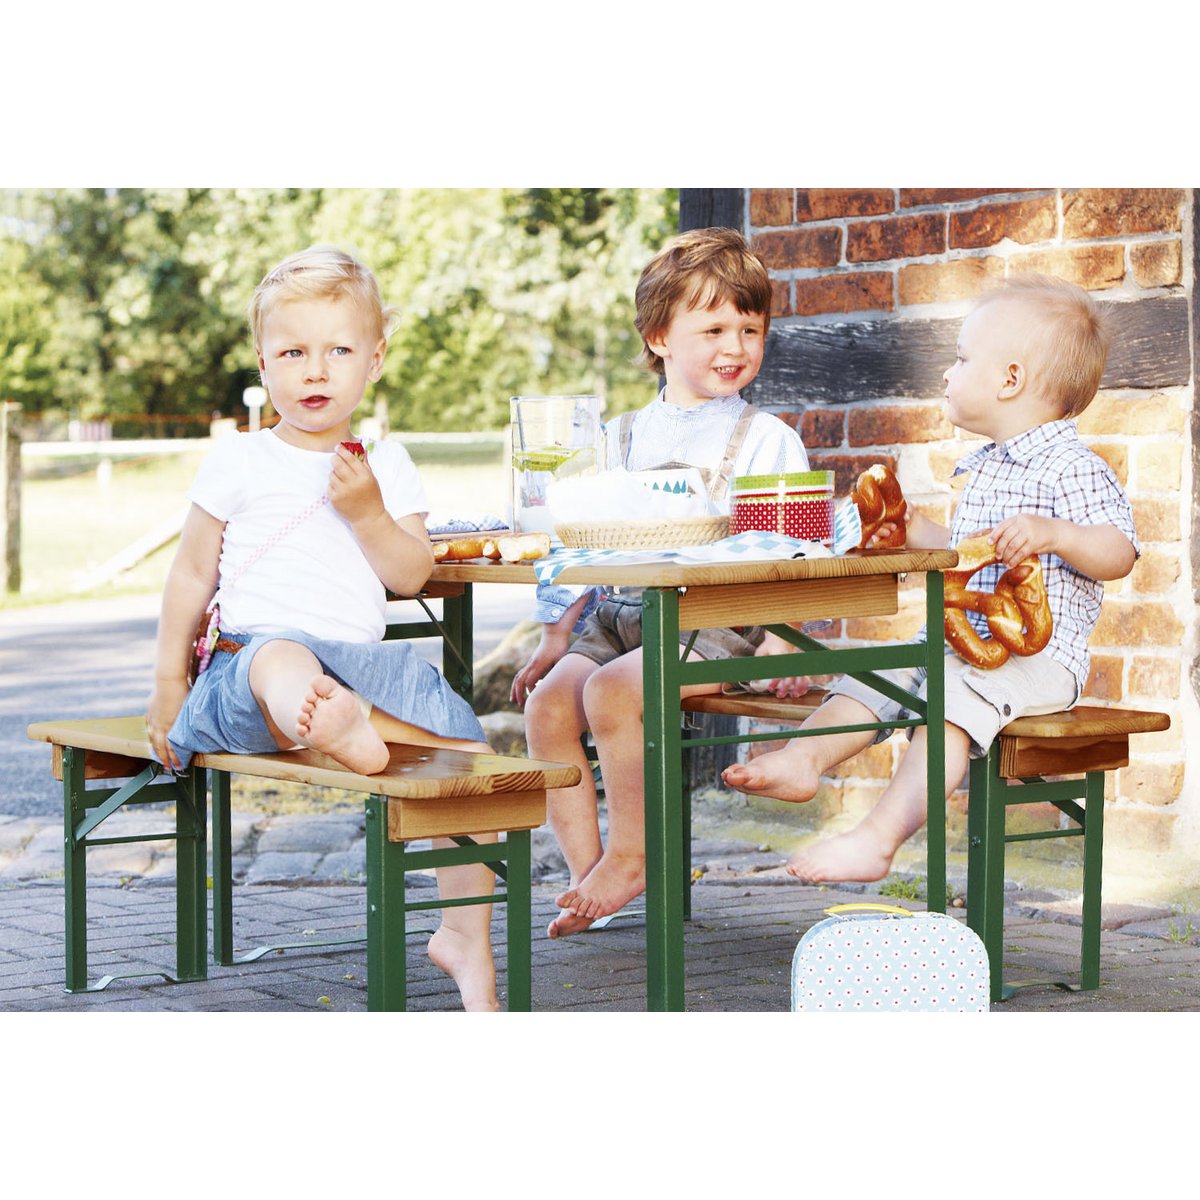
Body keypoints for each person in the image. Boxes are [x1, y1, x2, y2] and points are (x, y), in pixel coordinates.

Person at [146, 245, 502, 1010]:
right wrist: (168, 683)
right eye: (293, 353)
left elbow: (409, 575)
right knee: (283, 656)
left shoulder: (385, 464)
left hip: (361, 676)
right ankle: (336, 725)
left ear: (375, 359)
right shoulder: (240, 460)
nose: (316, 371)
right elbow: (189, 575)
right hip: (250, 672)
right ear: (262, 362)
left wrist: (368, 513)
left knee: (469, 759)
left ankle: (464, 937)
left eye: (339, 351)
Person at [723, 273, 1139, 884]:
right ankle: (805, 757)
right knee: (877, 673)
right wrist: (915, 530)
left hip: (1038, 661)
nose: (947, 373)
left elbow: (1119, 551)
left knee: (949, 701)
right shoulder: (989, 467)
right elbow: (968, 555)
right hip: (952, 646)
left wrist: (1055, 534)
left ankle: (878, 838)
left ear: (1011, 380)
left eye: (962, 358)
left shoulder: (1073, 467)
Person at [511, 227, 811, 937]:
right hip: (617, 614)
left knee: (614, 690)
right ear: (658, 338)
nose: (735, 347)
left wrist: (787, 639)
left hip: (715, 619)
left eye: (750, 329)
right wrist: (556, 636)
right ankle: (589, 874)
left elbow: (798, 551)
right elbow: (580, 544)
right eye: (713, 330)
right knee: (548, 705)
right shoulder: (617, 437)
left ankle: (632, 856)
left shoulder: (766, 439)